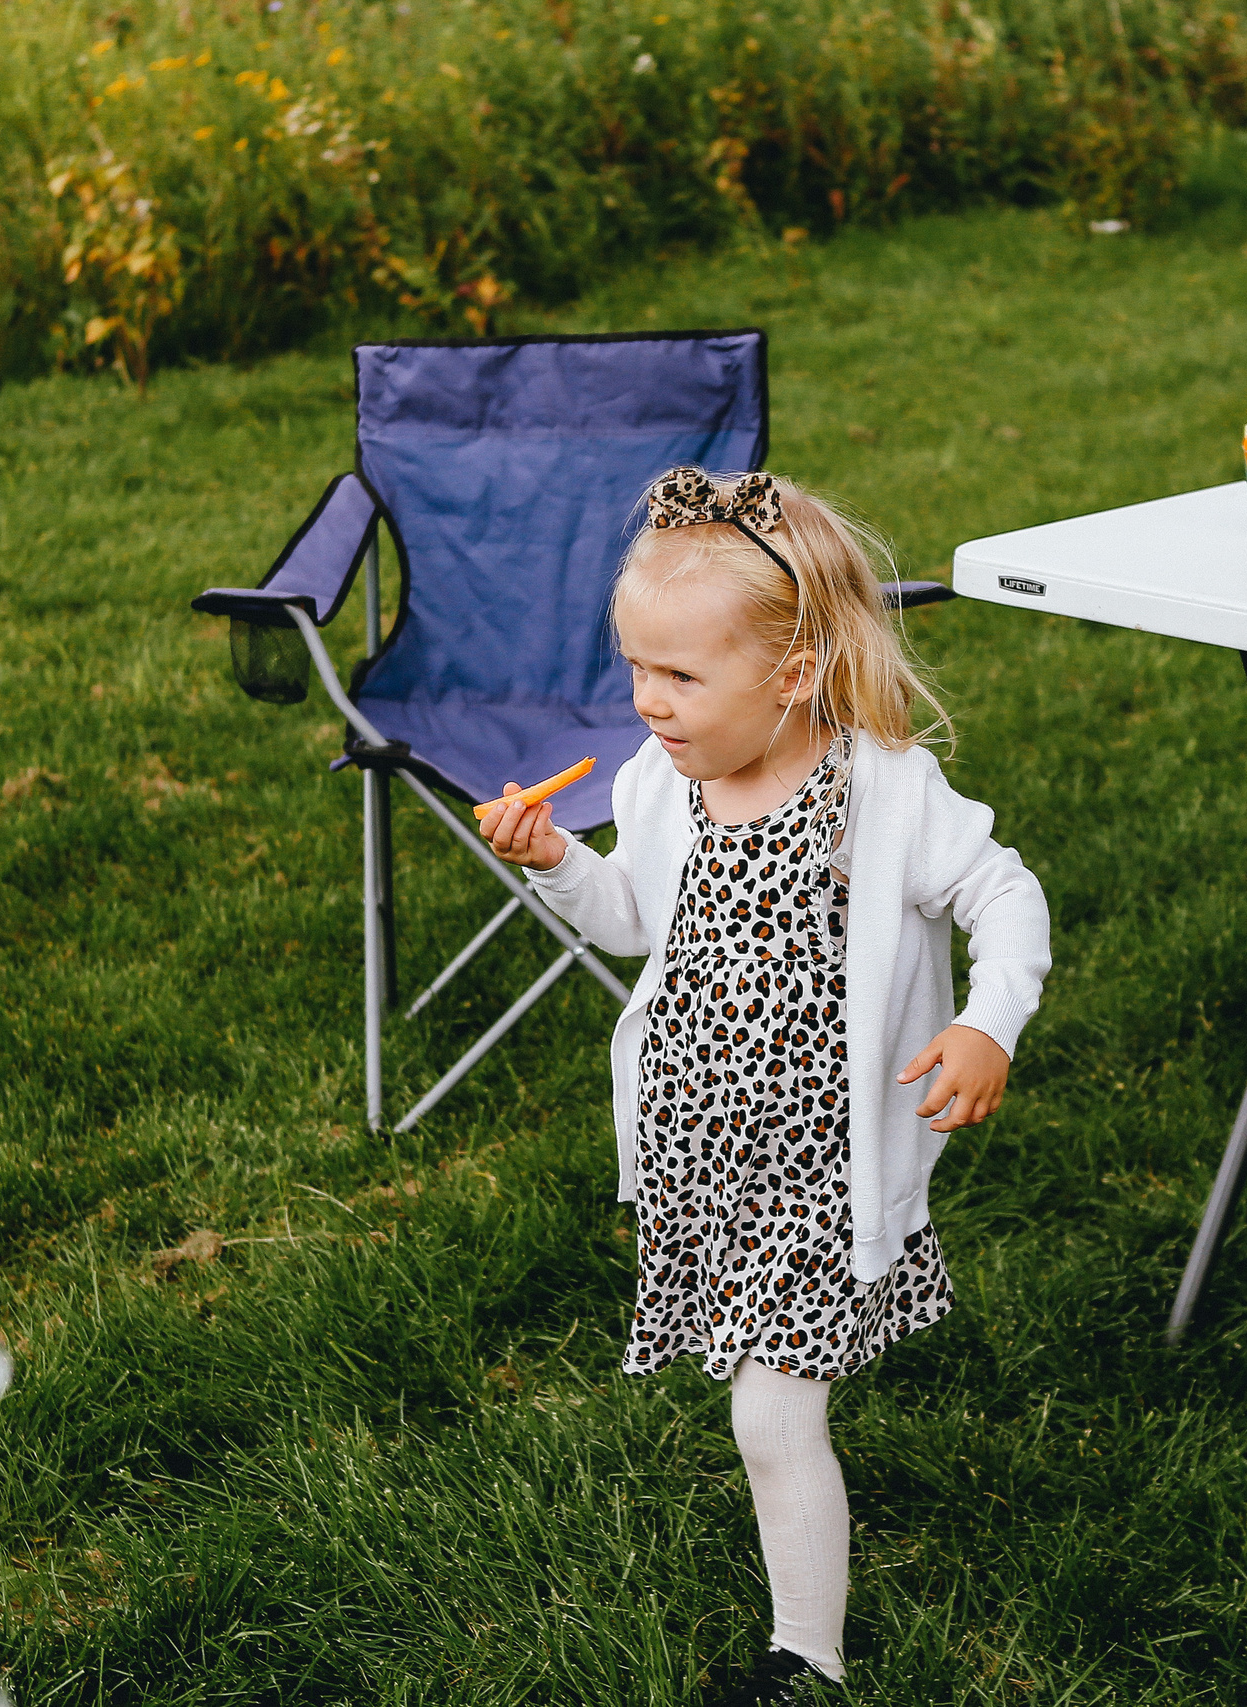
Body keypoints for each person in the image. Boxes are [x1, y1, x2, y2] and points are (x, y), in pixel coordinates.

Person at [482, 467, 1050, 1704]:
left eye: (680, 677)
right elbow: (634, 920)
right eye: (635, 669)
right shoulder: (659, 781)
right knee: (765, 1397)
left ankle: (808, 1665)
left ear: (791, 674)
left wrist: (984, 1022)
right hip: (707, 1149)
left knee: (771, 1415)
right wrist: (556, 863)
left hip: (815, 1163)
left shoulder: (881, 791)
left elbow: (1003, 893)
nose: (647, 703)